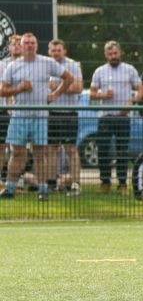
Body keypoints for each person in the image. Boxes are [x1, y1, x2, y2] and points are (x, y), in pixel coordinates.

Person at [0, 33, 73, 201]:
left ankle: (42, 189)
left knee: (40, 153)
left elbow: (68, 78)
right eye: (26, 43)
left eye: (32, 43)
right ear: (22, 46)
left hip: (40, 116)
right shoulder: (13, 66)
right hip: (19, 116)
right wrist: (19, 88)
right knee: (17, 153)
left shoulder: (47, 62)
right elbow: (3, 90)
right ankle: (10, 188)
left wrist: (54, 95)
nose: (29, 46)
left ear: (37, 45)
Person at [90, 41, 143, 195]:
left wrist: (132, 102)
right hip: (105, 116)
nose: (113, 56)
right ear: (105, 55)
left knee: (122, 151)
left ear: (120, 53)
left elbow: (141, 90)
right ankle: (105, 182)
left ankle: (122, 184)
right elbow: (92, 94)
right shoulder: (99, 71)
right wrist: (102, 95)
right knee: (103, 150)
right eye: (110, 54)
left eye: (115, 53)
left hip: (123, 116)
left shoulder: (130, 70)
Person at [47, 39, 83, 197]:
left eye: (59, 50)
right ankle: (52, 184)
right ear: (49, 51)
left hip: (69, 112)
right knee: (51, 149)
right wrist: (66, 86)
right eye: (53, 50)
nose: (56, 53)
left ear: (64, 51)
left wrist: (58, 88)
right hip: (52, 112)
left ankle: (75, 184)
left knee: (71, 149)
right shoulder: (45, 65)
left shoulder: (73, 65)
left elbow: (78, 88)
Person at [0, 34, 22, 185]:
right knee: (2, 147)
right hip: (4, 111)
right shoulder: (2, 65)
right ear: (8, 47)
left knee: (19, 149)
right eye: (13, 44)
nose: (16, 46)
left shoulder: (29, 64)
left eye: (19, 44)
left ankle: (15, 183)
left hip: (22, 112)